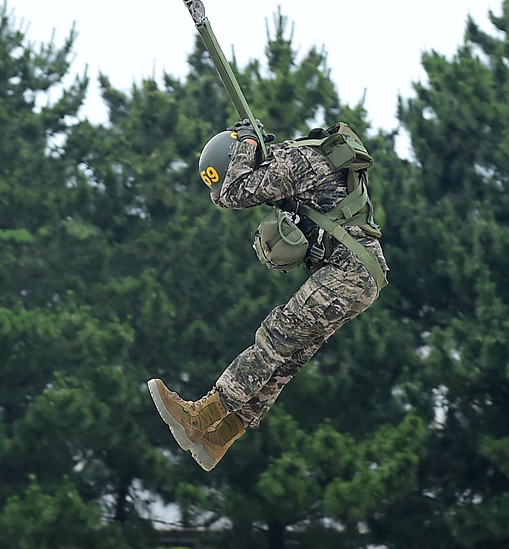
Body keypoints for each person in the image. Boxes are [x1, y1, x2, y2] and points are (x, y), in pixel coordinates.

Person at [147, 119, 389, 471]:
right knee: (288, 356)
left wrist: (245, 142)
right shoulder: (302, 160)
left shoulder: (294, 161)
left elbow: (231, 193)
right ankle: (222, 435)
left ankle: (201, 416)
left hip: (348, 272)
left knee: (275, 337)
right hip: (361, 275)